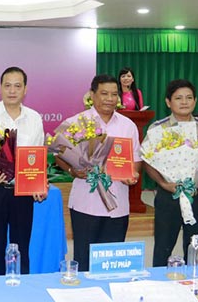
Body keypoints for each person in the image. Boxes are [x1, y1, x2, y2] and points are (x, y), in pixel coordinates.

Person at [55, 74, 141, 272]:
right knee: (84, 260)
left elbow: (136, 159)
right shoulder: (76, 122)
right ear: (92, 95)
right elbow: (58, 154)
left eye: (114, 94)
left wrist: (133, 174)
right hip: (86, 203)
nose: (109, 99)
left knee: (112, 263)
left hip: (118, 204)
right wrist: (72, 170)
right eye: (104, 93)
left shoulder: (128, 125)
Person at [0, 66, 46, 276]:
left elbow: (37, 154)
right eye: (7, 85)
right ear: (0, 88)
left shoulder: (34, 118)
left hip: (22, 193)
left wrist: (39, 184)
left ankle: (21, 291)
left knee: (21, 248)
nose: (12, 91)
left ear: (25, 89)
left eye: (17, 86)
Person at [144, 79, 198, 267]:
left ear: (195, 101)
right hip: (168, 196)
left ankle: (195, 282)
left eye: (189, 98)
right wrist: (164, 184)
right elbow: (148, 162)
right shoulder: (158, 129)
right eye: (178, 98)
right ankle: (160, 283)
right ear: (168, 102)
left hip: (197, 196)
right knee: (163, 248)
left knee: (197, 248)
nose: (184, 102)